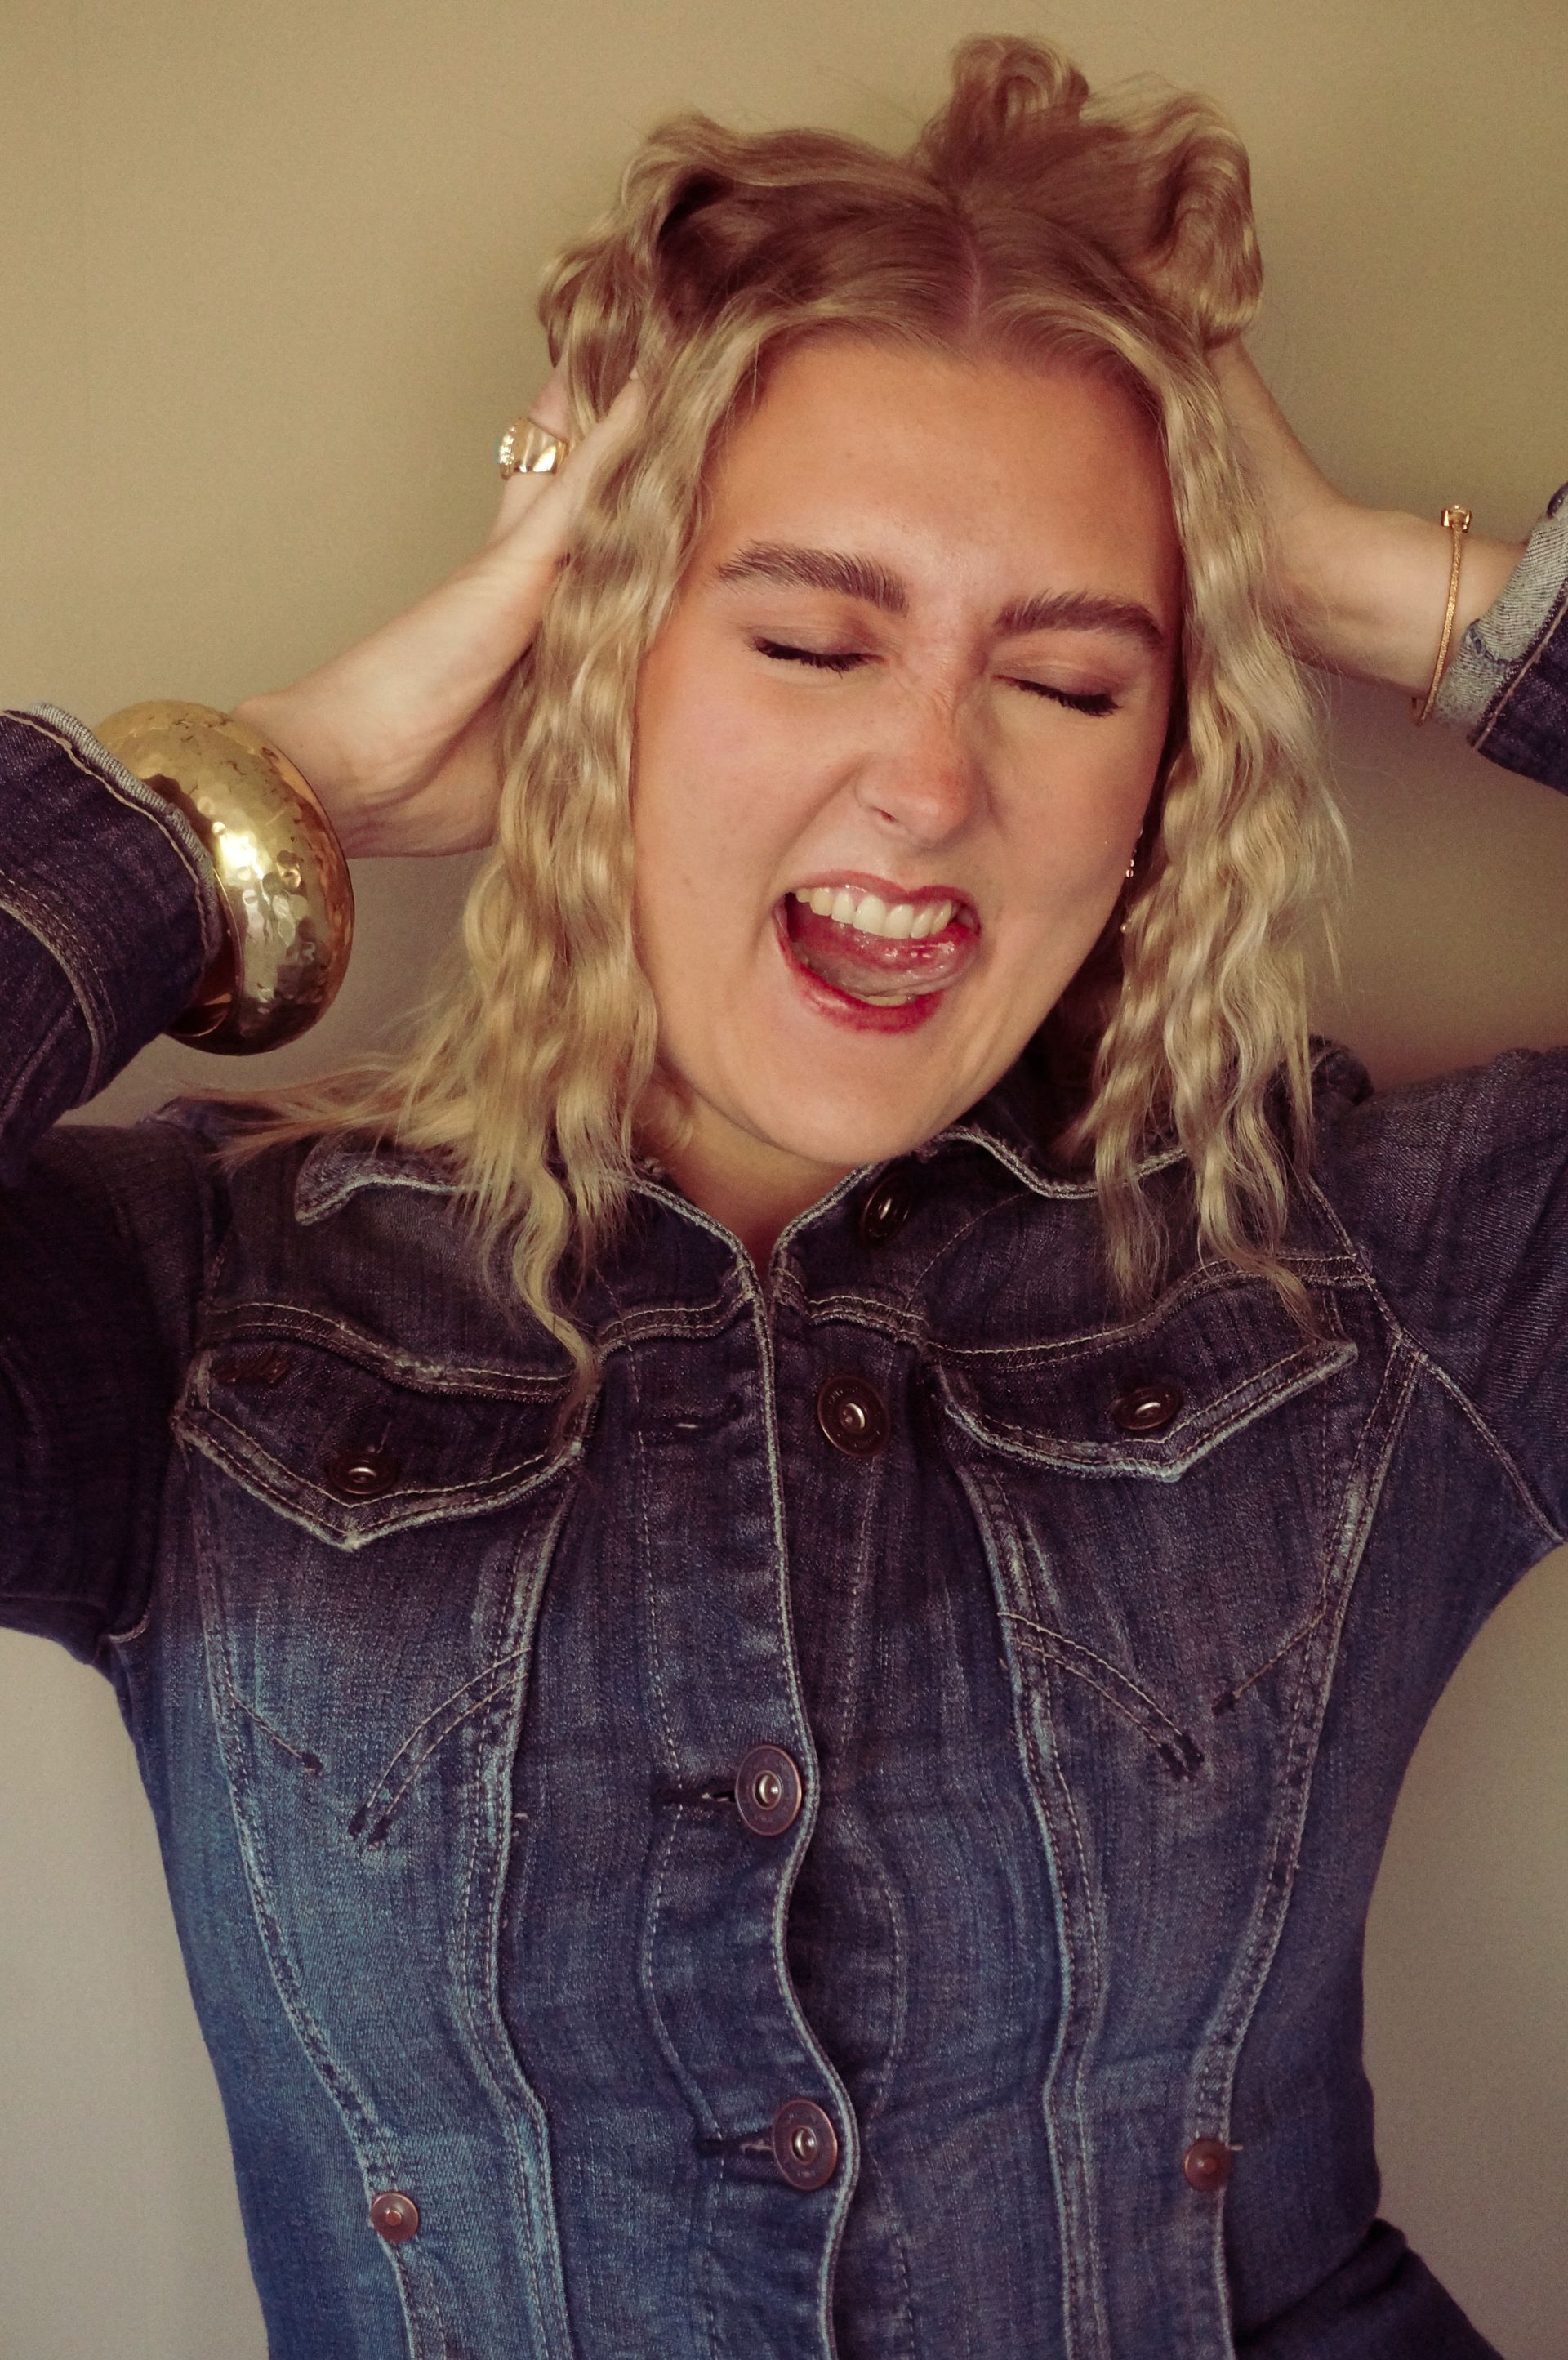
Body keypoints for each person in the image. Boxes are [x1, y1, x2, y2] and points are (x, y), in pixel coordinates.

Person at [2, 33, 1565, 2359]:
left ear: (1167, 775)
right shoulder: (196, 1305)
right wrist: (277, 787)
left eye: (1066, 679)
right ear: (588, 670)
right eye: (809, 639)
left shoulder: (1373, 1271)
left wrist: (1362, 582)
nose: (925, 779)